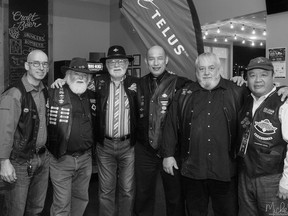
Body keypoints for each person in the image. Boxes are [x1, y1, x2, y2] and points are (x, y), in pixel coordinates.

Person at [162, 52, 288, 216]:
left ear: (219, 69)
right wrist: (168, 154)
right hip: (193, 169)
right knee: (195, 211)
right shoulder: (184, 93)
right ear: (196, 71)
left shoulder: (237, 90)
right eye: (202, 68)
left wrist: (281, 88)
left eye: (211, 68)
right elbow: (171, 123)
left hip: (226, 170)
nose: (207, 72)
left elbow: (264, 92)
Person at [134, 45, 190, 216]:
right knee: (143, 194)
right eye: (151, 59)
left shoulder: (181, 83)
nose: (156, 63)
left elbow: (206, 84)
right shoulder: (137, 84)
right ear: (146, 61)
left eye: (160, 58)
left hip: (171, 150)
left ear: (166, 60)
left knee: (174, 195)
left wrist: (235, 82)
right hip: (144, 149)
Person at [0, 49, 50, 215]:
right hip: (20, 162)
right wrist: (4, 162)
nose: (41, 67)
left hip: (42, 160)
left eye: (44, 64)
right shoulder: (14, 93)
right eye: (36, 63)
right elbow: (4, 131)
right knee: (15, 210)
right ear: (27, 65)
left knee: (36, 209)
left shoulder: (46, 91)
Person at [237, 57, 288, 216]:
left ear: (273, 76)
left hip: (273, 179)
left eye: (263, 74)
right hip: (245, 175)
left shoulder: (283, 102)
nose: (257, 80)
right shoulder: (246, 99)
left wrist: (286, 183)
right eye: (252, 75)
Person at [47, 57, 97, 215]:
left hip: (85, 159)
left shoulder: (92, 95)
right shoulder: (54, 93)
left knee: (81, 199)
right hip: (62, 159)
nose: (80, 77)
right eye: (76, 73)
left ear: (89, 79)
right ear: (68, 75)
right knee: (62, 204)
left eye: (84, 74)